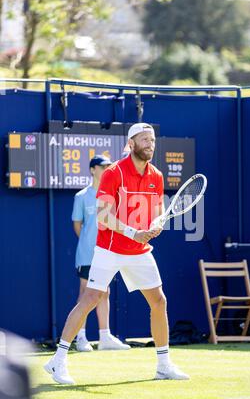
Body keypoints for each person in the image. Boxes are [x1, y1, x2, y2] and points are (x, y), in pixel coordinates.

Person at [44, 123, 189, 384]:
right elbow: (103, 215)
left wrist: (155, 225)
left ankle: (164, 365)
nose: (150, 144)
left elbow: (156, 212)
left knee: (159, 301)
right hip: (110, 249)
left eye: (152, 140)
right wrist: (133, 232)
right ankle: (58, 361)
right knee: (90, 298)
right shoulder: (114, 173)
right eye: (144, 140)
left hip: (140, 250)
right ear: (131, 144)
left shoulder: (156, 176)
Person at [71, 155, 130, 352]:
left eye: (109, 166)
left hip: (107, 252)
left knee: (104, 292)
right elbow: (78, 225)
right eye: (103, 166)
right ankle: (81, 337)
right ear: (93, 169)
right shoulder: (81, 196)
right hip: (87, 254)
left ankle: (105, 337)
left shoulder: (113, 195)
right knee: (86, 292)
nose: (107, 169)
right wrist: (90, 242)